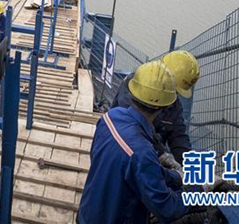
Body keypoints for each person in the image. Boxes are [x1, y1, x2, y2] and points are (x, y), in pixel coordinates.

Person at [78, 61, 190, 223]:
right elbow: (167, 208)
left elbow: (140, 168)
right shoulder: (142, 152)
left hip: (87, 213)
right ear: (165, 107)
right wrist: (196, 191)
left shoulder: (109, 118)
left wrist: (176, 177)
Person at [112, 50, 200, 166]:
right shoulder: (136, 85)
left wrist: (192, 165)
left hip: (149, 155)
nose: (173, 96)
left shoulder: (174, 104)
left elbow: (178, 136)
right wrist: (161, 154)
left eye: (176, 92)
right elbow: (138, 123)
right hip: (123, 149)